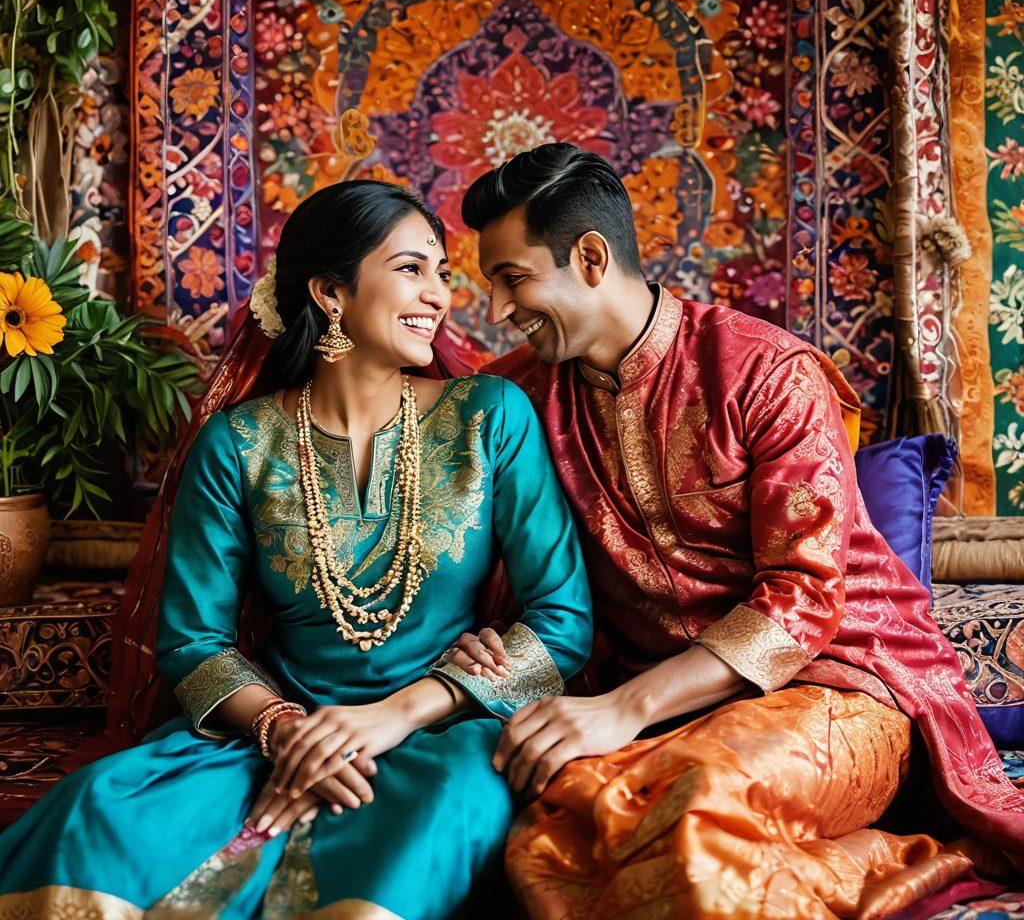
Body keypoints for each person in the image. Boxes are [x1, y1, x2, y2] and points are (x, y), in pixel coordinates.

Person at [447, 143, 1023, 919]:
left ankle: (923, 855)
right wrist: (492, 644)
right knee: (553, 833)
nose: (499, 309)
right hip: (668, 711)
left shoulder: (766, 370)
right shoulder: (516, 396)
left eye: (513, 279)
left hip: (843, 679)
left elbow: (804, 600)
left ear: (589, 257)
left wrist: (623, 712)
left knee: (692, 812)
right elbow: (511, 575)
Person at [0, 180, 592, 919]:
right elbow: (192, 643)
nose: (439, 296)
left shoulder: (489, 416)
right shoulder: (239, 444)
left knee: (431, 826)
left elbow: (562, 622)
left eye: (443, 273)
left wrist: (394, 716)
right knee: (97, 812)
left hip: (440, 731)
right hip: (268, 733)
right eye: (412, 268)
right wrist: (288, 733)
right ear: (330, 292)